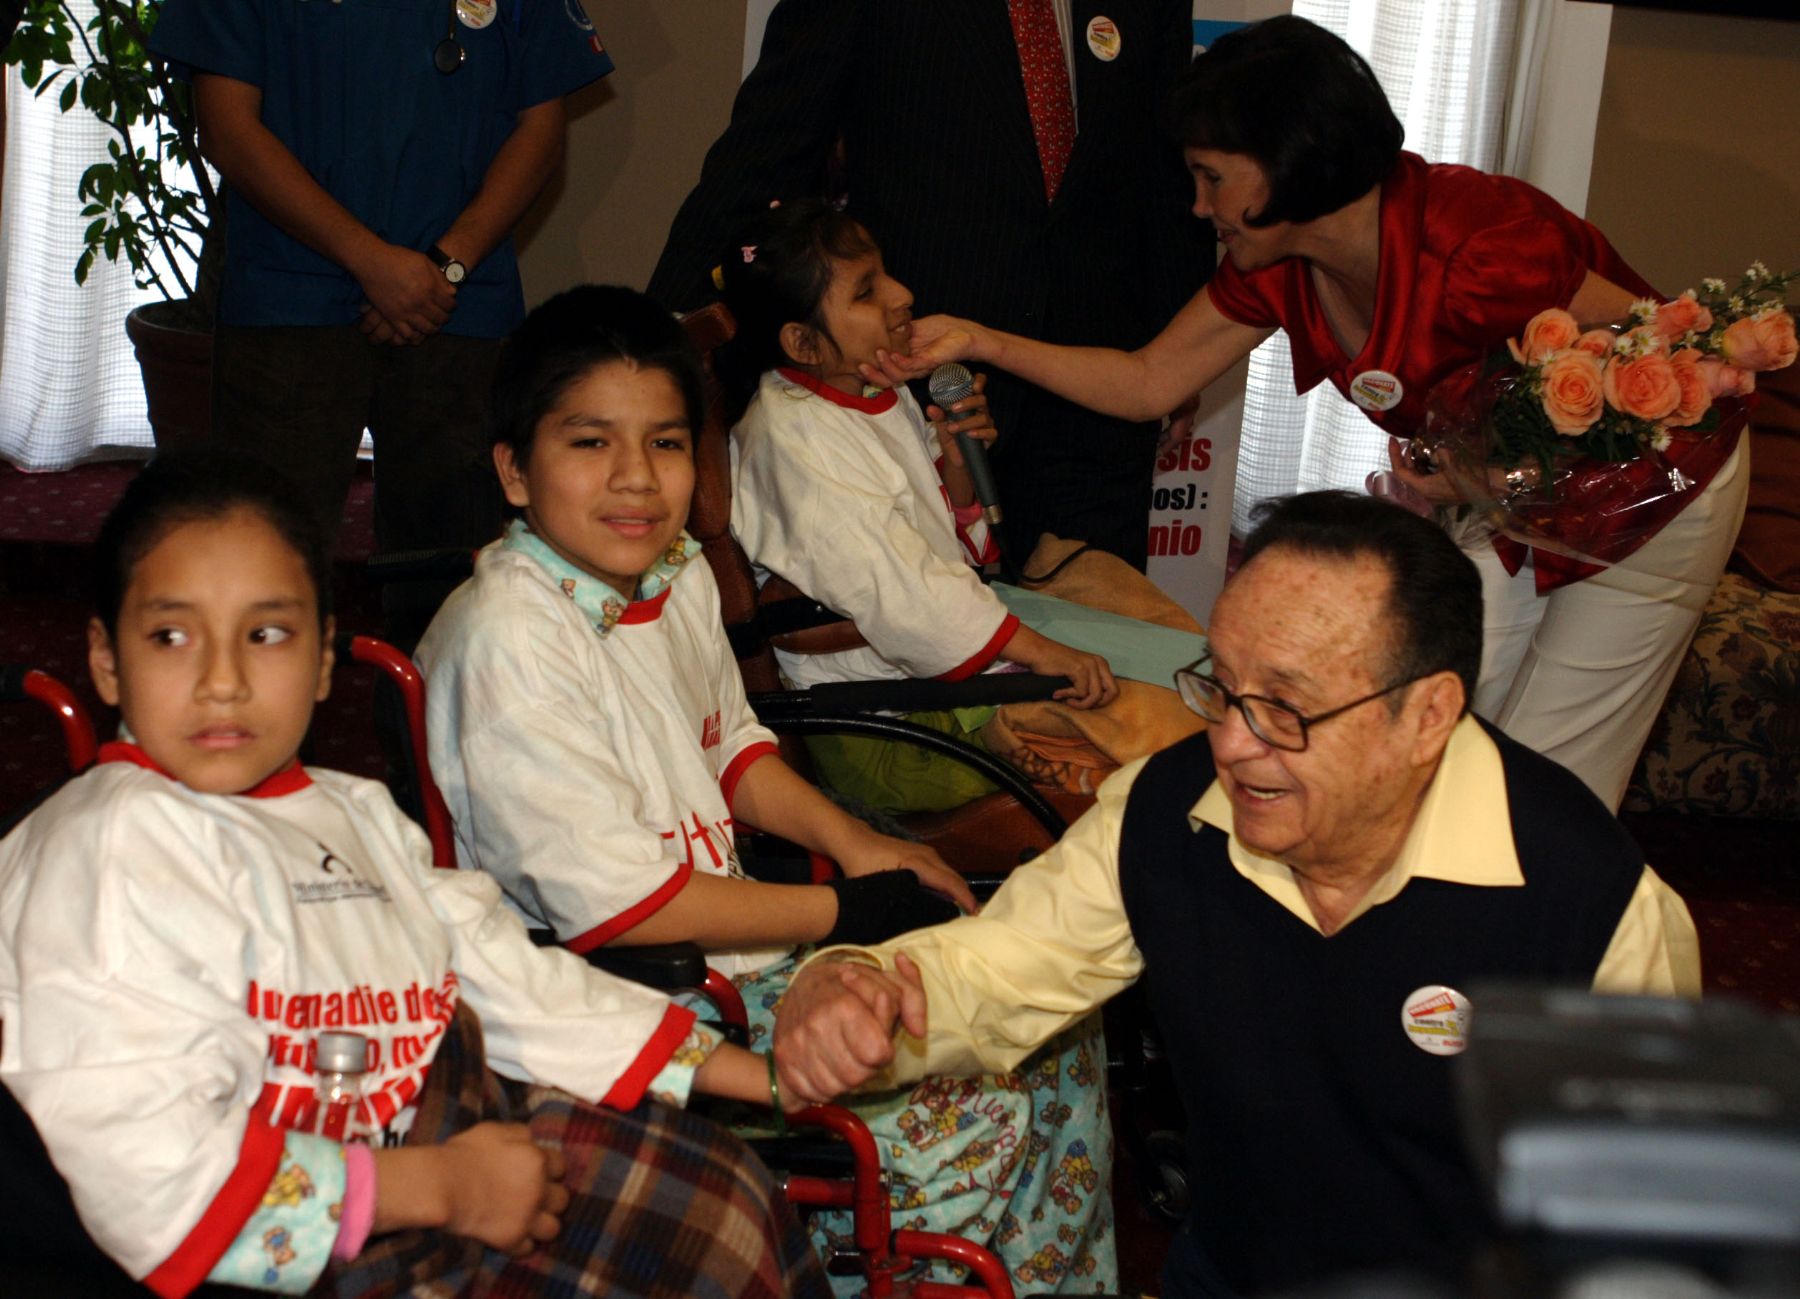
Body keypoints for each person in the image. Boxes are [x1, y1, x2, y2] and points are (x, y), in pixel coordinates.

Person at [770, 490, 1702, 1298]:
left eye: (1286, 708)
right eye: (1223, 687)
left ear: (1428, 715)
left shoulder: (1586, 905)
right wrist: (860, 981)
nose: (1231, 742)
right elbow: (995, 966)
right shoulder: (1166, 812)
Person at [414, 286, 1117, 1294]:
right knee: (991, 1092)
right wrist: (845, 905)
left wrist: (869, 846)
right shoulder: (510, 640)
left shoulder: (673, 571)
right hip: (648, 1010)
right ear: (514, 472)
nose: (636, 480)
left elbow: (734, 748)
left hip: (745, 958)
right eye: (589, 444)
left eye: (665, 444)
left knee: (1050, 1026)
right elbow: (622, 908)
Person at [0, 450, 830, 1299]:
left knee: (728, 1196)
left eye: (268, 633)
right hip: (297, 1237)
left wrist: (761, 1079)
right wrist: (444, 1187)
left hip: (429, 1143)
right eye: (172, 635)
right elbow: (148, 1167)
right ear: (106, 660)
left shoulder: (348, 810)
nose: (223, 679)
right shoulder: (105, 849)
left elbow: (505, 978)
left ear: (325, 658)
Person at [876, 14, 1751, 811]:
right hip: (1511, 506)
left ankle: (1521, 969)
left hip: (1657, 494)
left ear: (1288, 155)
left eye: (1213, 177)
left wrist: (1493, 470)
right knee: (1440, 723)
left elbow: (1662, 359)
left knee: (1559, 768)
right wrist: (983, 341)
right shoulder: (1276, 267)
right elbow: (1146, 381)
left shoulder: (1480, 238)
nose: (1198, 206)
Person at [648, 0, 1211, 571]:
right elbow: (768, 147)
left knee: (1101, 636)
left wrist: (1183, 349)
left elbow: (1170, 168)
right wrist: (651, 345)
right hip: (916, 380)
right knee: (921, 630)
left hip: (1098, 386)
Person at [147, 0, 612, 571]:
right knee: (263, 565)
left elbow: (541, 127)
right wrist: (372, 262)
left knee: (449, 582)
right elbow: (226, 128)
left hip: (455, 305)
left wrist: (447, 265)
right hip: (289, 301)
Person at [721, 199, 1119, 813]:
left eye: (887, 273)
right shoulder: (793, 441)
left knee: (1108, 604)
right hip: (876, 726)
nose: (903, 295)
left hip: (920, 683)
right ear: (803, 342)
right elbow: (904, 591)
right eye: (867, 290)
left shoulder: (875, 386)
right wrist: (1046, 654)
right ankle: (1004, 733)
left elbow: (933, 541)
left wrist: (955, 463)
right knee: (1108, 742)